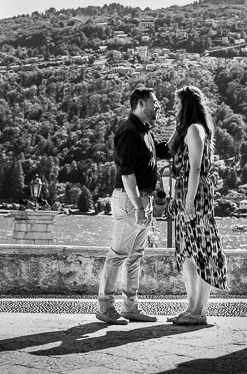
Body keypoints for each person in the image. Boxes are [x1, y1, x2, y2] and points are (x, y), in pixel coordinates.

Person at [96, 86, 172, 324]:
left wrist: (182, 127)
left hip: (142, 200)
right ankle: (105, 307)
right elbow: (127, 174)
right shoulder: (129, 132)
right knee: (119, 254)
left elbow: (167, 151)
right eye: (154, 102)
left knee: (135, 256)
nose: (158, 106)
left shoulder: (146, 131)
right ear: (140, 104)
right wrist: (139, 206)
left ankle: (130, 307)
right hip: (131, 200)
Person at [167, 85, 228, 325]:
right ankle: (192, 308)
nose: (175, 108)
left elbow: (194, 168)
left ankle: (199, 311)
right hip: (186, 194)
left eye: (178, 104)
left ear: (187, 106)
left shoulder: (194, 129)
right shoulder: (186, 130)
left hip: (196, 197)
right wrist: (177, 198)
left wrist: (189, 201)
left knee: (201, 252)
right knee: (188, 254)